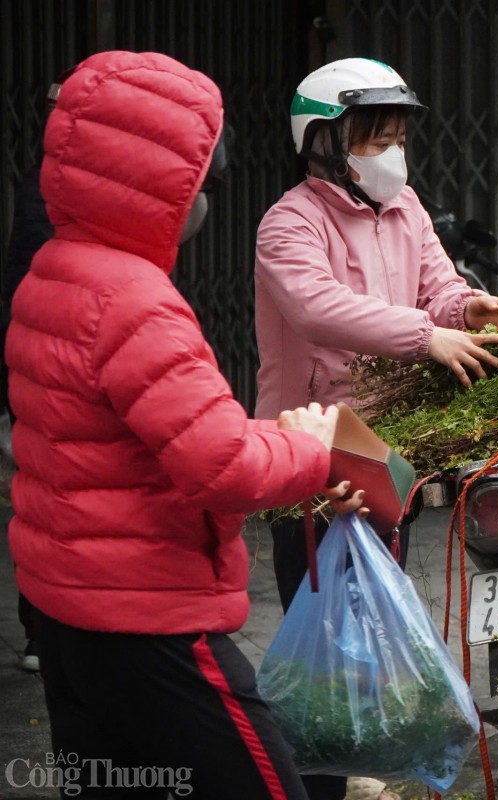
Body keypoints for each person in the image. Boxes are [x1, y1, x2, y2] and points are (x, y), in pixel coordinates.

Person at [5, 50, 354, 799]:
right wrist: (310, 450)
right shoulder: (136, 302)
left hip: (68, 610)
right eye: (206, 179)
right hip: (150, 622)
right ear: (167, 185)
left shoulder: (52, 271)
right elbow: (222, 464)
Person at [254, 57, 498, 800]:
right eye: (373, 140)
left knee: (379, 598)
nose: (390, 155)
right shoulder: (289, 223)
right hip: (313, 442)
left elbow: (437, 285)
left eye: (397, 138)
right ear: (323, 143)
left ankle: (362, 754)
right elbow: (317, 308)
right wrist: (424, 335)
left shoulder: (404, 208)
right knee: (323, 616)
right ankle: (320, 772)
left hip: (388, 445)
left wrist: (467, 308)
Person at [1, 74, 63, 674]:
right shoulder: (46, 185)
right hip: (47, 365)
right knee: (48, 494)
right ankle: (44, 629)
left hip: (45, 360)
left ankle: (49, 629)